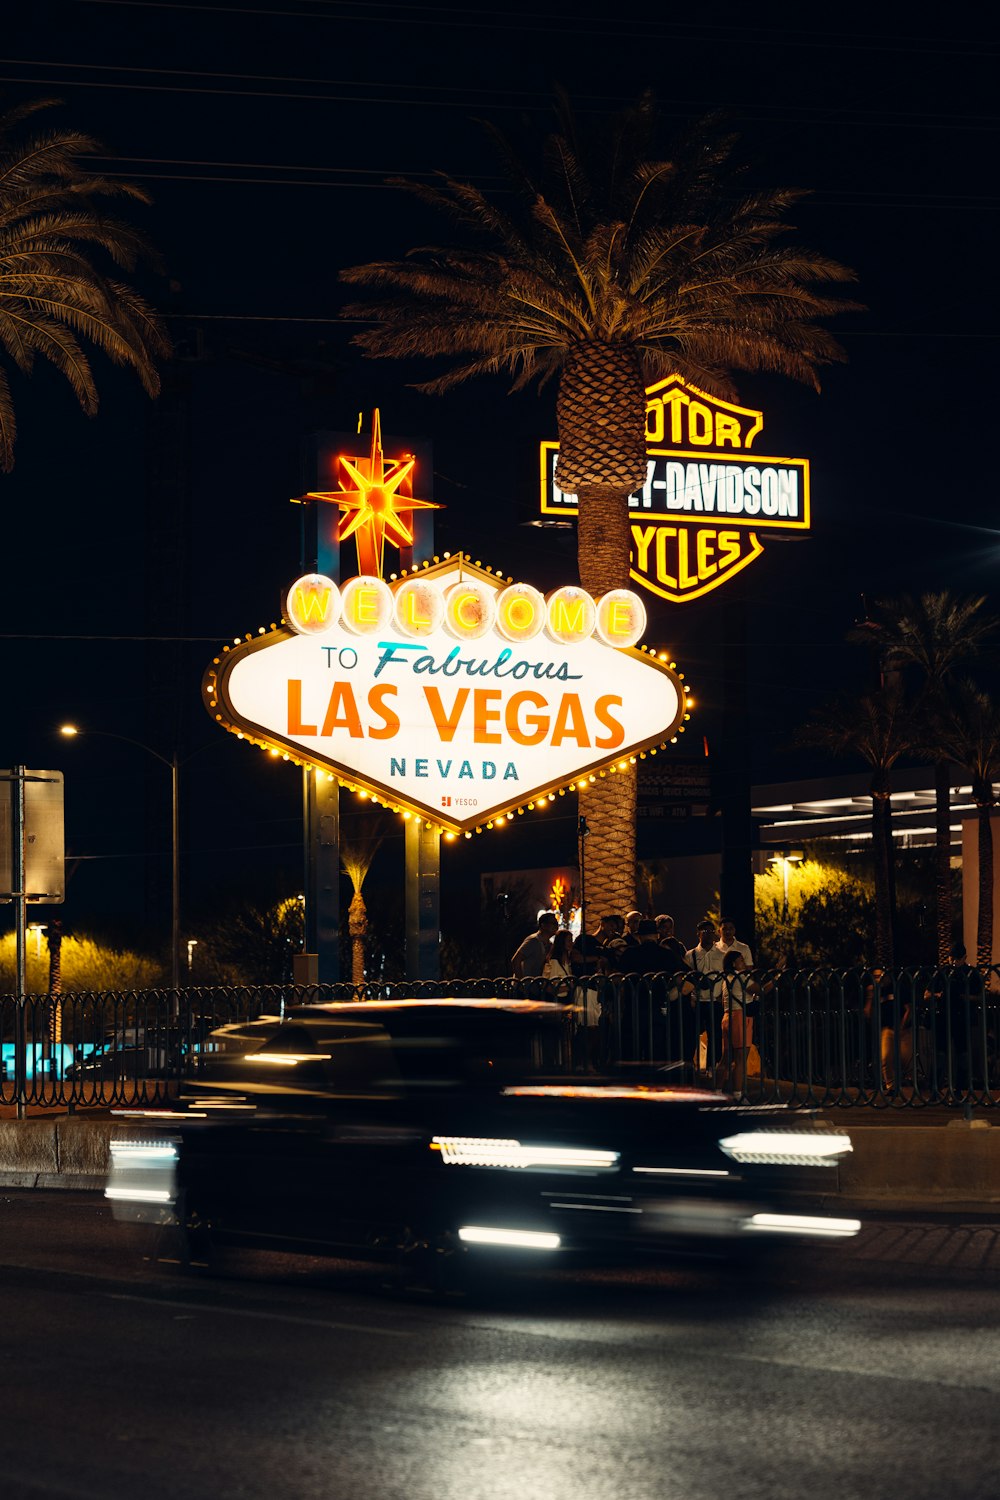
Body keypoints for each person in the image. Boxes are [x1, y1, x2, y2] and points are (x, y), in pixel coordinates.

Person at [684, 920, 725, 1076]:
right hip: (697, 1001)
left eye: (711, 931)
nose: (709, 934)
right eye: (705, 931)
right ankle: (691, 1067)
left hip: (715, 1001)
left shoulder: (722, 955)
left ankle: (711, 1067)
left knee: (715, 1035)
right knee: (692, 1035)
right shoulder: (690, 955)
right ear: (698, 933)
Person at [719, 949, 758, 1097]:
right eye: (741, 960)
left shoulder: (726, 978)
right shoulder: (741, 977)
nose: (745, 963)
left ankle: (716, 1091)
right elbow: (761, 990)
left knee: (725, 1059)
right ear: (734, 963)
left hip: (728, 1016)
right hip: (741, 1017)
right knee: (741, 1060)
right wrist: (778, 975)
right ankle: (738, 1095)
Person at [511, 910, 559, 980]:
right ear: (543, 925)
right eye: (553, 923)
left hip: (536, 987)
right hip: (526, 988)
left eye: (556, 923)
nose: (556, 926)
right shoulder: (533, 941)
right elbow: (516, 960)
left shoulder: (549, 945)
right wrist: (521, 982)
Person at [543, 928, 575, 1000]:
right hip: (556, 999)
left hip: (565, 998)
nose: (571, 943)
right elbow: (549, 987)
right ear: (561, 942)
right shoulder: (554, 962)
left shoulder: (567, 960)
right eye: (569, 941)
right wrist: (568, 987)